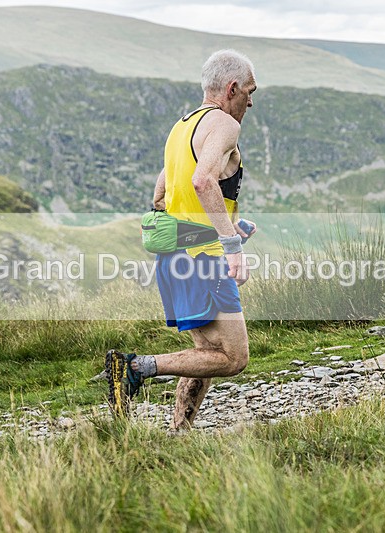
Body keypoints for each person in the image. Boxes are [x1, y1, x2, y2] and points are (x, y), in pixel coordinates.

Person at [107, 49, 258, 430]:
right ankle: (138, 367)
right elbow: (203, 181)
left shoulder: (183, 126)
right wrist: (230, 244)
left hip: (175, 257)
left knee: (206, 352)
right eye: (250, 91)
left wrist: (219, 223)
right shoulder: (224, 125)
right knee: (233, 358)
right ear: (232, 87)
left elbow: (161, 195)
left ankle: (180, 431)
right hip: (204, 259)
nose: (251, 101)